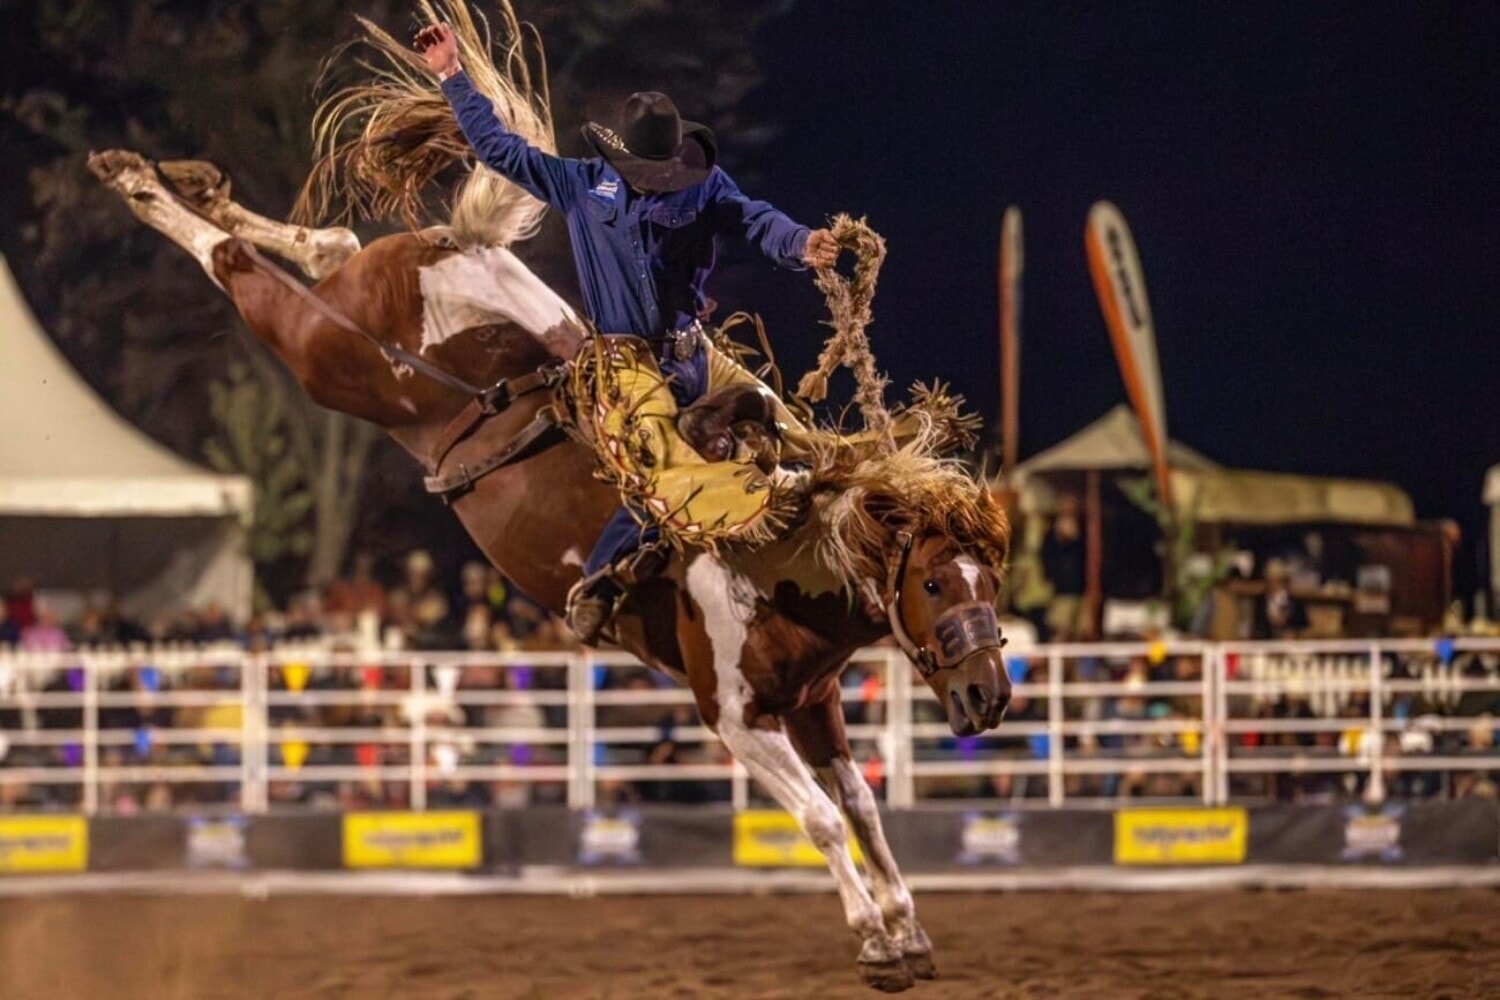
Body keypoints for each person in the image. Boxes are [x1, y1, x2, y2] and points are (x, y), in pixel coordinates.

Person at [415, 23, 839, 644]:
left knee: (797, 433)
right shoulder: (584, 186)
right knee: (660, 466)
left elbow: (754, 219)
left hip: (694, 348)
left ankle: (837, 531)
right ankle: (603, 578)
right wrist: (453, 76)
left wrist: (801, 242)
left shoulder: (703, 187)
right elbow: (501, 150)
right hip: (625, 365)